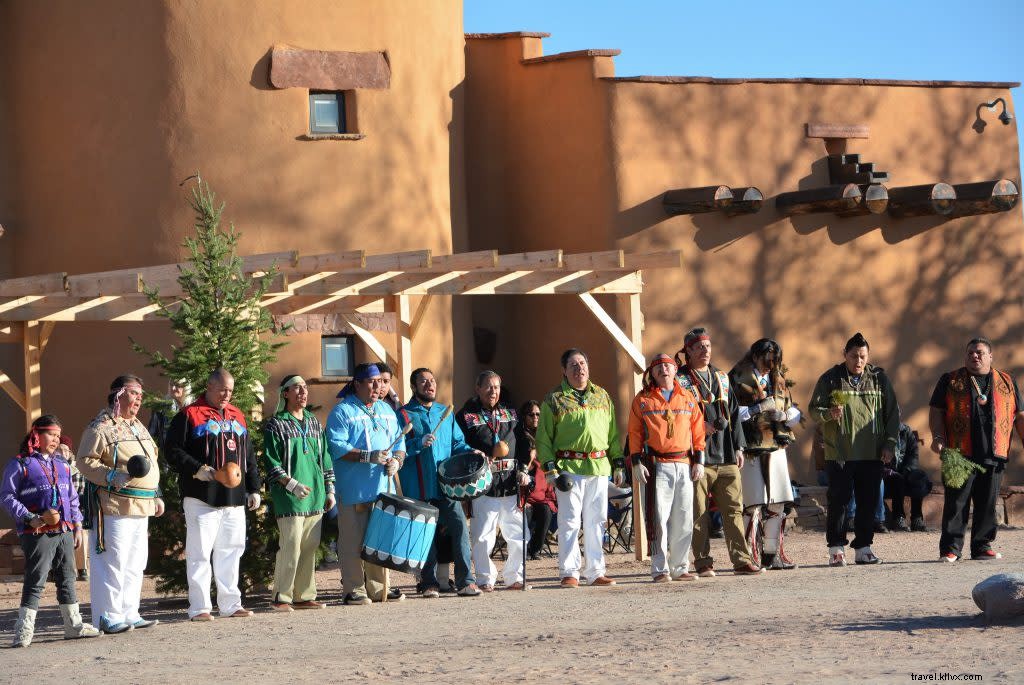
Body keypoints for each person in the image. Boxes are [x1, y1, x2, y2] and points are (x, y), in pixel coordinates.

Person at [166, 368, 262, 621]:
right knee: (199, 553)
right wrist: (196, 468)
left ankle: (231, 604)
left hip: (234, 497)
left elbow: (248, 455)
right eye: (222, 390)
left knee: (231, 550)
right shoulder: (189, 415)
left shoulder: (237, 415)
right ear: (208, 387)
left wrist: (254, 488)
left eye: (230, 390)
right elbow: (172, 450)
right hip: (201, 496)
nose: (226, 395)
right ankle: (200, 607)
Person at [1, 415, 101, 647]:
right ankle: (24, 630)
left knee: (67, 577)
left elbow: (72, 498)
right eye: (51, 434)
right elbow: (6, 496)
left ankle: (73, 626)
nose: (56, 439)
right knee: (36, 579)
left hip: (65, 530)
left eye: (58, 435)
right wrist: (29, 517)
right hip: (37, 532)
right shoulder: (20, 464)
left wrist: (76, 525)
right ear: (37, 435)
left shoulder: (62, 464)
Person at [77, 375, 164, 633]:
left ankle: (129, 611)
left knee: (136, 561)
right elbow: (85, 461)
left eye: (141, 394)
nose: (139, 398)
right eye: (134, 393)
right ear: (118, 395)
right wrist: (111, 476)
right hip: (113, 504)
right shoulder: (100, 427)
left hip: (142, 505)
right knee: (113, 560)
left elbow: (151, 462)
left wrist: (156, 491)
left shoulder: (138, 427)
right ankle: (108, 615)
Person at [929, 337, 1024, 562]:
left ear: (990, 356)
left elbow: (1019, 416)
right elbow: (936, 411)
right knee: (956, 502)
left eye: (980, 352)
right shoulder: (950, 380)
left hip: (994, 452)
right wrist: (938, 436)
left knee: (988, 502)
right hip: (958, 452)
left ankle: (982, 546)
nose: (975, 356)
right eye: (970, 352)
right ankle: (951, 549)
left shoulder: (1007, 381)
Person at [677, 328, 762, 576]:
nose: (705, 351)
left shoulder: (721, 377)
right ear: (688, 351)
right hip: (697, 458)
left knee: (734, 510)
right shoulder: (680, 380)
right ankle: (703, 562)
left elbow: (734, 415)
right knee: (698, 513)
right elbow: (675, 415)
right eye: (699, 347)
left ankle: (741, 560)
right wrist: (697, 428)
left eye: (708, 346)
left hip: (726, 455)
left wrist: (739, 446)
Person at [809, 332, 899, 567]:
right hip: (840, 452)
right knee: (839, 501)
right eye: (853, 356)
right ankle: (836, 549)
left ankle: (864, 548)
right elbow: (813, 410)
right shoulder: (830, 379)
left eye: (863, 357)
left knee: (868, 501)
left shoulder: (879, 379)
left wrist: (890, 444)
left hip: (872, 452)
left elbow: (892, 414)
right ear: (844, 355)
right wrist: (828, 414)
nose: (858, 362)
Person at [537, 348, 621, 588]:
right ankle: (569, 571)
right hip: (569, 467)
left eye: (582, 363)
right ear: (564, 370)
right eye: (573, 365)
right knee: (570, 520)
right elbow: (543, 438)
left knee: (597, 520)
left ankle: (595, 571)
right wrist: (552, 472)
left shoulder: (602, 396)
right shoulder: (553, 399)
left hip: (598, 466)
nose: (579, 368)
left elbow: (612, 433)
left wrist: (617, 461)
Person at [325, 363, 407, 604]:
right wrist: (366, 456)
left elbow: (399, 443)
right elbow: (337, 446)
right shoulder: (342, 412)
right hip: (353, 489)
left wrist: (397, 462)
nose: (377, 386)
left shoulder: (386, 410)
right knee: (352, 542)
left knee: (378, 540)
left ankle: (379, 587)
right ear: (357, 384)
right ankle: (354, 589)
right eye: (371, 382)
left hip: (382, 488)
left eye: (381, 382)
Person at [399, 367, 482, 597]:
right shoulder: (404, 415)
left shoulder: (444, 413)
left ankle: (466, 581)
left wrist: (472, 451)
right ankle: (428, 583)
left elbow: (457, 444)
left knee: (459, 527)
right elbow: (398, 448)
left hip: (446, 487)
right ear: (413, 387)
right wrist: (416, 444)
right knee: (425, 535)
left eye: (432, 381)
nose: (429, 385)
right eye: (423, 382)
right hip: (418, 486)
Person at [628, 353, 706, 582]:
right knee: (657, 518)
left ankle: (680, 567)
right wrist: (635, 462)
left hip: (683, 463)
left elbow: (698, 431)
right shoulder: (642, 399)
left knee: (683, 518)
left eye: (668, 366)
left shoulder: (688, 398)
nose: (664, 369)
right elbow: (634, 433)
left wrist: (699, 461)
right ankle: (660, 569)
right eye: (658, 367)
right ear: (651, 373)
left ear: (675, 371)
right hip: (655, 465)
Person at [263, 375, 335, 611]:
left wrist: (330, 489)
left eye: (305, 388)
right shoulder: (276, 424)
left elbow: (324, 458)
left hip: (315, 495)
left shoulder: (314, 422)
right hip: (289, 497)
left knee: (310, 546)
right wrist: (290, 484)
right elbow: (271, 460)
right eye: (297, 388)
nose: (303, 392)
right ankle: (281, 597)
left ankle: (304, 595)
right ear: (285, 393)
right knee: (291, 546)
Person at [730, 339, 802, 570]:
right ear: (754, 356)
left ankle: (772, 554)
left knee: (777, 503)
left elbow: (790, 408)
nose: (770, 365)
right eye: (766, 360)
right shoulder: (737, 378)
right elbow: (730, 413)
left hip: (776, 446)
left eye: (774, 360)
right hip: (750, 447)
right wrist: (756, 409)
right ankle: (750, 555)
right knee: (752, 505)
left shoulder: (777, 379)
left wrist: (787, 416)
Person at [457, 371, 531, 591]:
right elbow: (458, 444)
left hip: (510, 481)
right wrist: (475, 455)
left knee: (519, 535)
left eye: (497, 387)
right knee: (482, 536)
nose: (493, 391)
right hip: (484, 483)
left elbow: (524, 443)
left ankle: (514, 577)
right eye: (488, 387)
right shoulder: (466, 415)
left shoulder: (511, 413)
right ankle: (485, 578)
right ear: (477, 388)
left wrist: (524, 468)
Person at [519, 400, 554, 560]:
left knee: (546, 512)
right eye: (531, 414)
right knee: (525, 512)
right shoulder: (519, 437)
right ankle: (523, 551)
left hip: (541, 491)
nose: (535, 417)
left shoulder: (544, 436)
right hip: (523, 491)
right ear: (524, 416)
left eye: (538, 414)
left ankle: (535, 550)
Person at [885, 423, 931, 532]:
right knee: (897, 479)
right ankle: (898, 517)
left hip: (905, 471)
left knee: (919, 477)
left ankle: (916, 518)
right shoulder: (881, 431)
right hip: (887, 474)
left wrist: (906, 470)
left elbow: (913, 455)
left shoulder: (906, 431)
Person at [147, 379, 191, 449]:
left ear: (186, 388)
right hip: (164, 454)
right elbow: (152, 434)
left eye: (177, 385)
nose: (173, 388)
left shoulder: (192, 409)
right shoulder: (160, 407)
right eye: (171, 384)